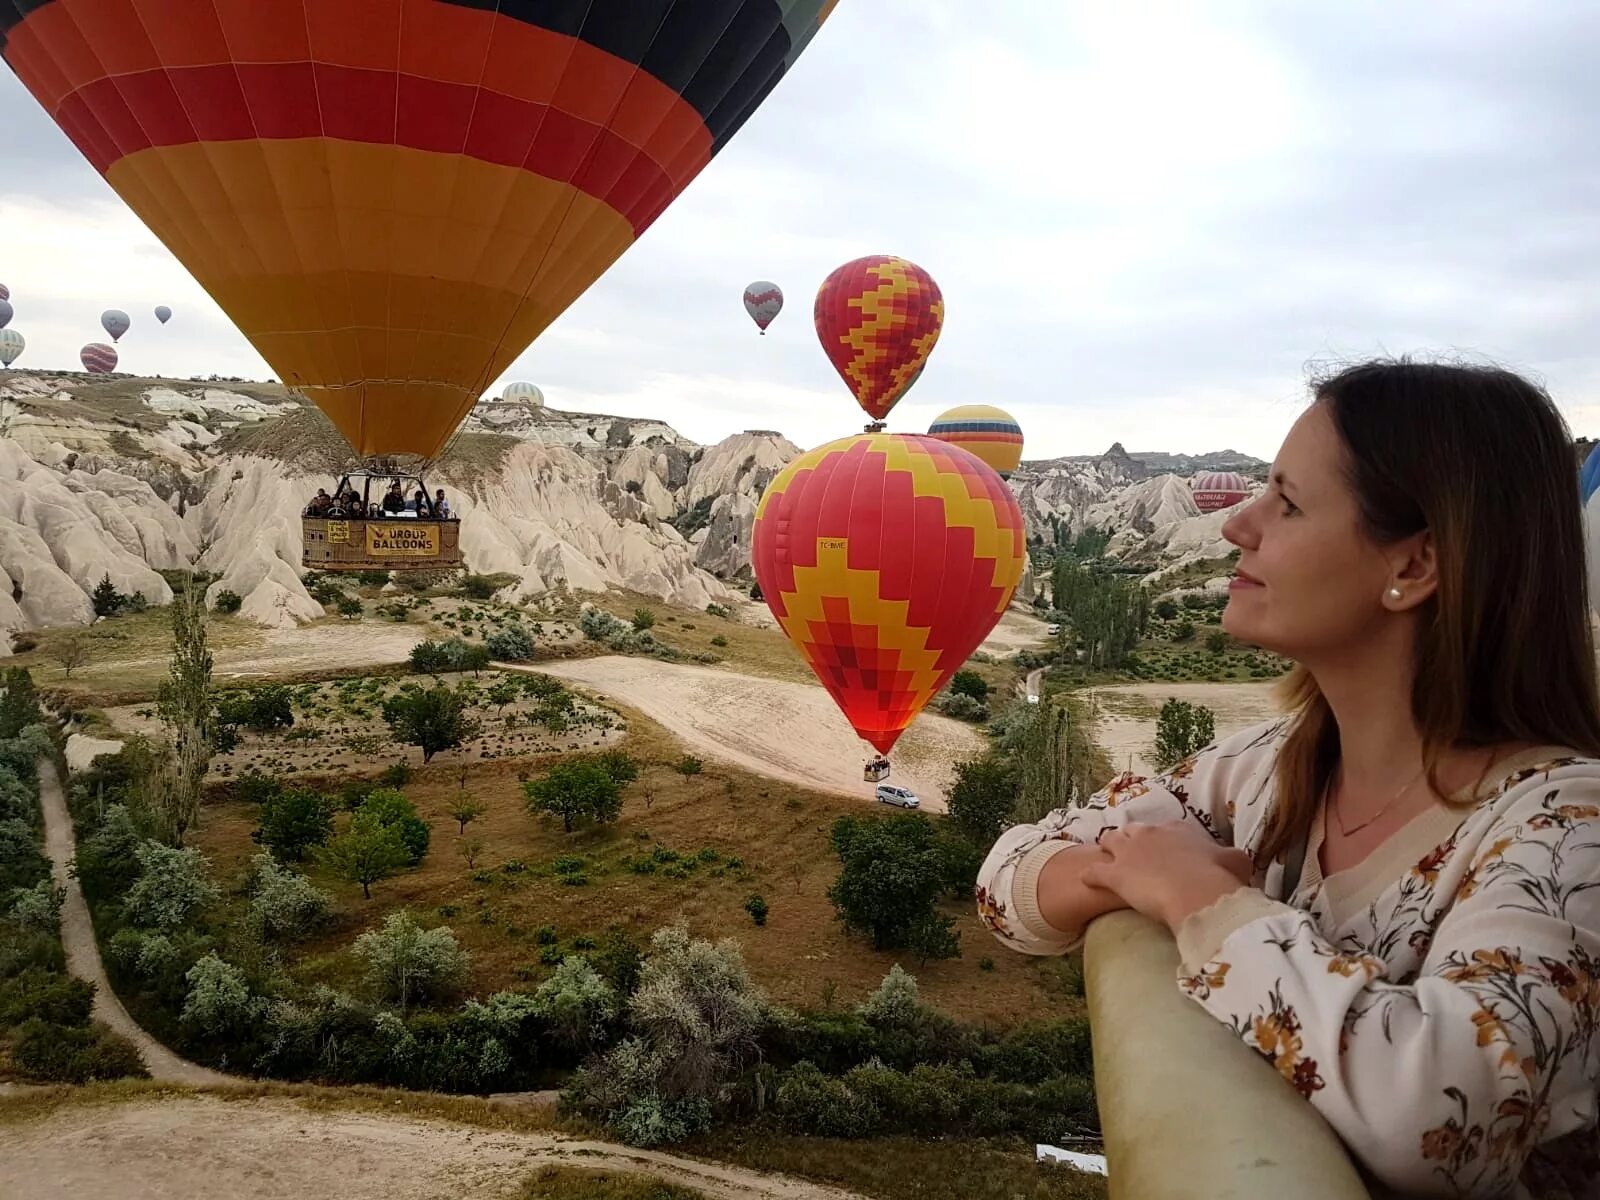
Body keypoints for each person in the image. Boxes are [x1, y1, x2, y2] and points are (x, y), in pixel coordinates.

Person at [977, 360, 1600, 1198]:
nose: (1239, 524)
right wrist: (1131, 871)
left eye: (1289, 502)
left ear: (1415, 567)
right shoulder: (1269, 767)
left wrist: (1204, 904)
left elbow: (1441, 1118)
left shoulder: (1565, 827)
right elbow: (1005, 879)